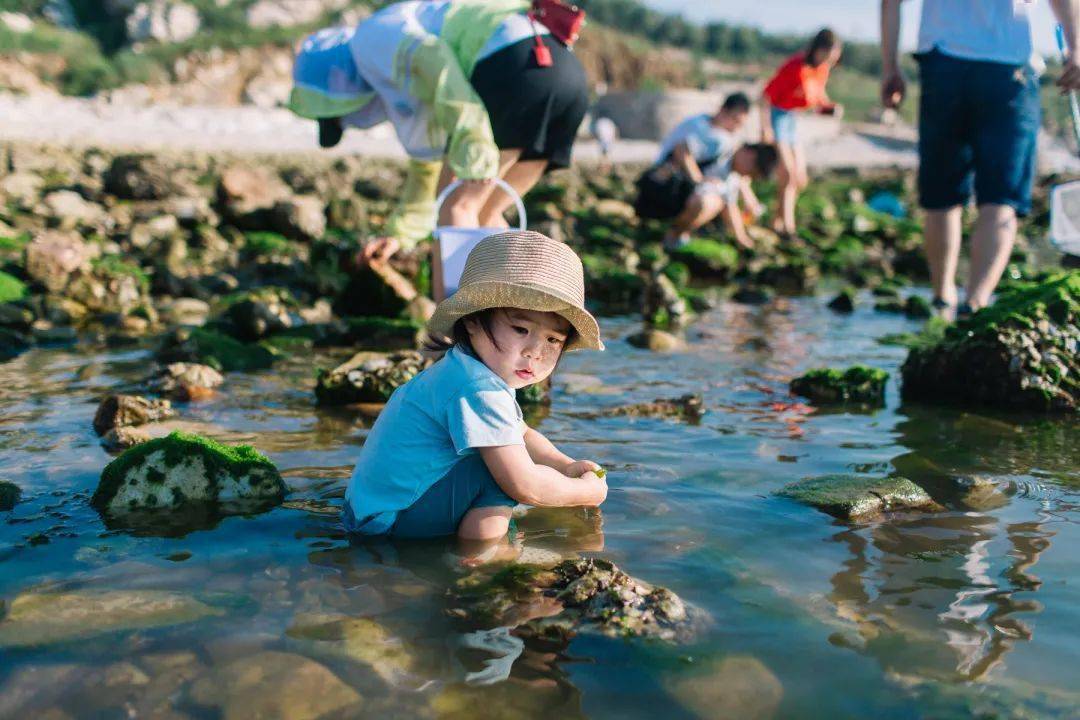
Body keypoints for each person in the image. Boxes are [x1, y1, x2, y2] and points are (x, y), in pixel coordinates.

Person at [342, 230, 607, 542]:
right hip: (390, 522)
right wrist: (584, 492)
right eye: (521, 329)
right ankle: (483, 559)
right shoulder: (477, 388)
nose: (535, 350)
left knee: (507, 452)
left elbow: (520, 432)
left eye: (552, 339)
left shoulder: (465, 368)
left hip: (369, 510)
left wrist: (564, 465)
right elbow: (524, 485)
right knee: (500, 474)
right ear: (471, 320)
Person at [289, 0, 589, 274]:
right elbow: (426, 169)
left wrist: (474, 142)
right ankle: (509, 315)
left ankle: (450, 329)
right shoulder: (407, 82)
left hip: (513, 63)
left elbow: (436, 61)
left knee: (457, 206)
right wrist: (400, 234)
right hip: (566, 73)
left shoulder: (370, 38)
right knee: (487, 213)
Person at [880, 0, 1080, 315]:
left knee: (942, 196)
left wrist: (890, 67)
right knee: (1001, 197)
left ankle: (942, 298)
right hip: (1008, 68)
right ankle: (975, 303)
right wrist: (1075, 48)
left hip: (944, 64)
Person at [634, 93, 777, 249]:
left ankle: (674, 233)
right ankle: (673, 235)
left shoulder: (724, 143)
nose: (735, 128)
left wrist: (742, 238)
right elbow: (681, 150)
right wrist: (699, 179)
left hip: (672, 190)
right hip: (660, 187)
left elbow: (732, 203)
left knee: (719, 198)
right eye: (735, 121)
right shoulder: (712, 135)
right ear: (723, 110)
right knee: (709, 200)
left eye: (739, 125)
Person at [760, 28, 844, 238]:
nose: (829, 61)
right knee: (787, 174)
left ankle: (776, 220)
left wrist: (829, 108)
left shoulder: (821, 69)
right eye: (827, 55)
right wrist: (766, 128)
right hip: (778, 116)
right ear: (818, 49)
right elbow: (766, 96)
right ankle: (788, 228)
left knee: (799, 178)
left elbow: (816, 97)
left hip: (792, 119)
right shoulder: (794, 66)